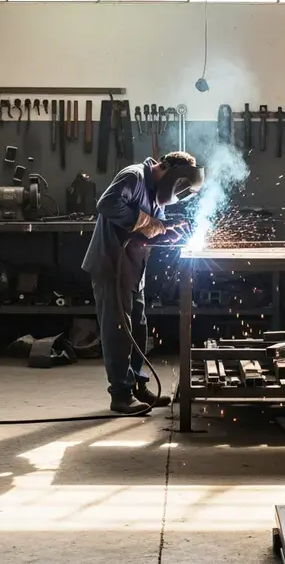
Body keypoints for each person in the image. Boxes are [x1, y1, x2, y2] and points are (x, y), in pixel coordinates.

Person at [82, 152, 204, 414]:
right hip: (111, 265)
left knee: (138, 327)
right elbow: (108, 204)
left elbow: (146, 229)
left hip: (134, 268)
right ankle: (121, 395)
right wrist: (154, 225)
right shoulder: (134, 176)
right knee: (118, 331)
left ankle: (137, 386)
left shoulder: (155, 192)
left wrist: (164, 232)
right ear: (168, 169)